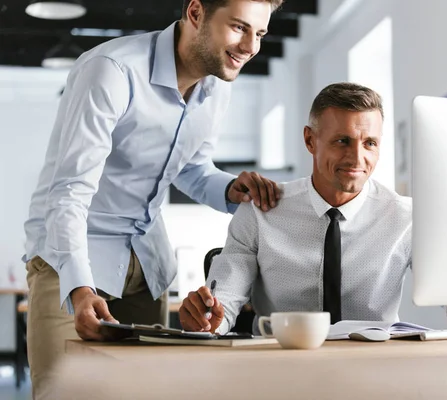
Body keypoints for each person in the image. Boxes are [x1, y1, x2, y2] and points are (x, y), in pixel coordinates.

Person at [22, 0, 283, 397]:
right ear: (196, 13)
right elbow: (70, 191)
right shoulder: (112, 71)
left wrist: (231, 188)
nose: (250, 46)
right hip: (72, 262)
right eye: (239, 27)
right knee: (65, 393)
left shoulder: (216, 86)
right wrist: (79, 287)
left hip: (146, 266)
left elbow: (192, 169)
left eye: (259, 33)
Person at [179, 82, 447, 334]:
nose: (357, 158)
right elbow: (224, 306)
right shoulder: (260, 211)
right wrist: (207, 320)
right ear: (310, 140)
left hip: (377, 369)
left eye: (370, 142)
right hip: (282, 368)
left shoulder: (408, 217)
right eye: (342, 141)